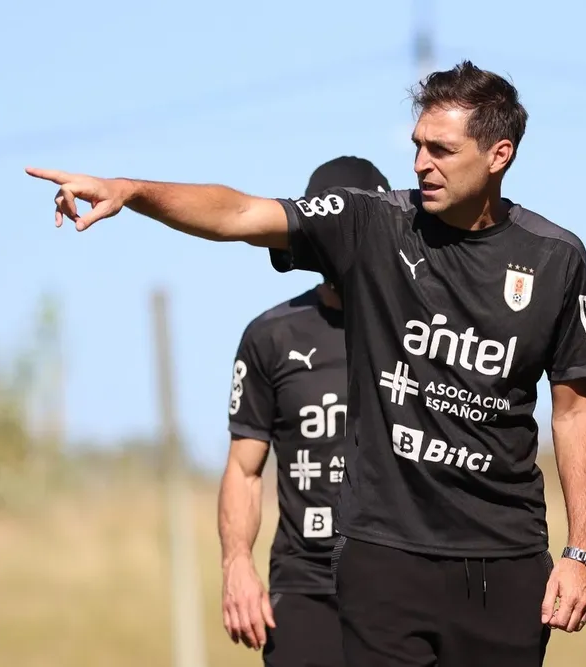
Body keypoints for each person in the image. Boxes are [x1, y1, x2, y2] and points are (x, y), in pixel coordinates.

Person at [26, 60, 586, 667]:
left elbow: (573, 412)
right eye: (416, 146)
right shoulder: (372, 223)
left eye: (441, 149)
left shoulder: (555, 258)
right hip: (385, 555)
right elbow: (239, 214)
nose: (420, 163)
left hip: (506, 560)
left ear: (498, 155)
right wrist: (132, 192)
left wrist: (581, 551)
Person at [217, 156, 390, 667]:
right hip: (305, 584)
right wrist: (236, 564)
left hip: (401, 581)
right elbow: (244, 469)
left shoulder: (418, 327)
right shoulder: (272, 335)